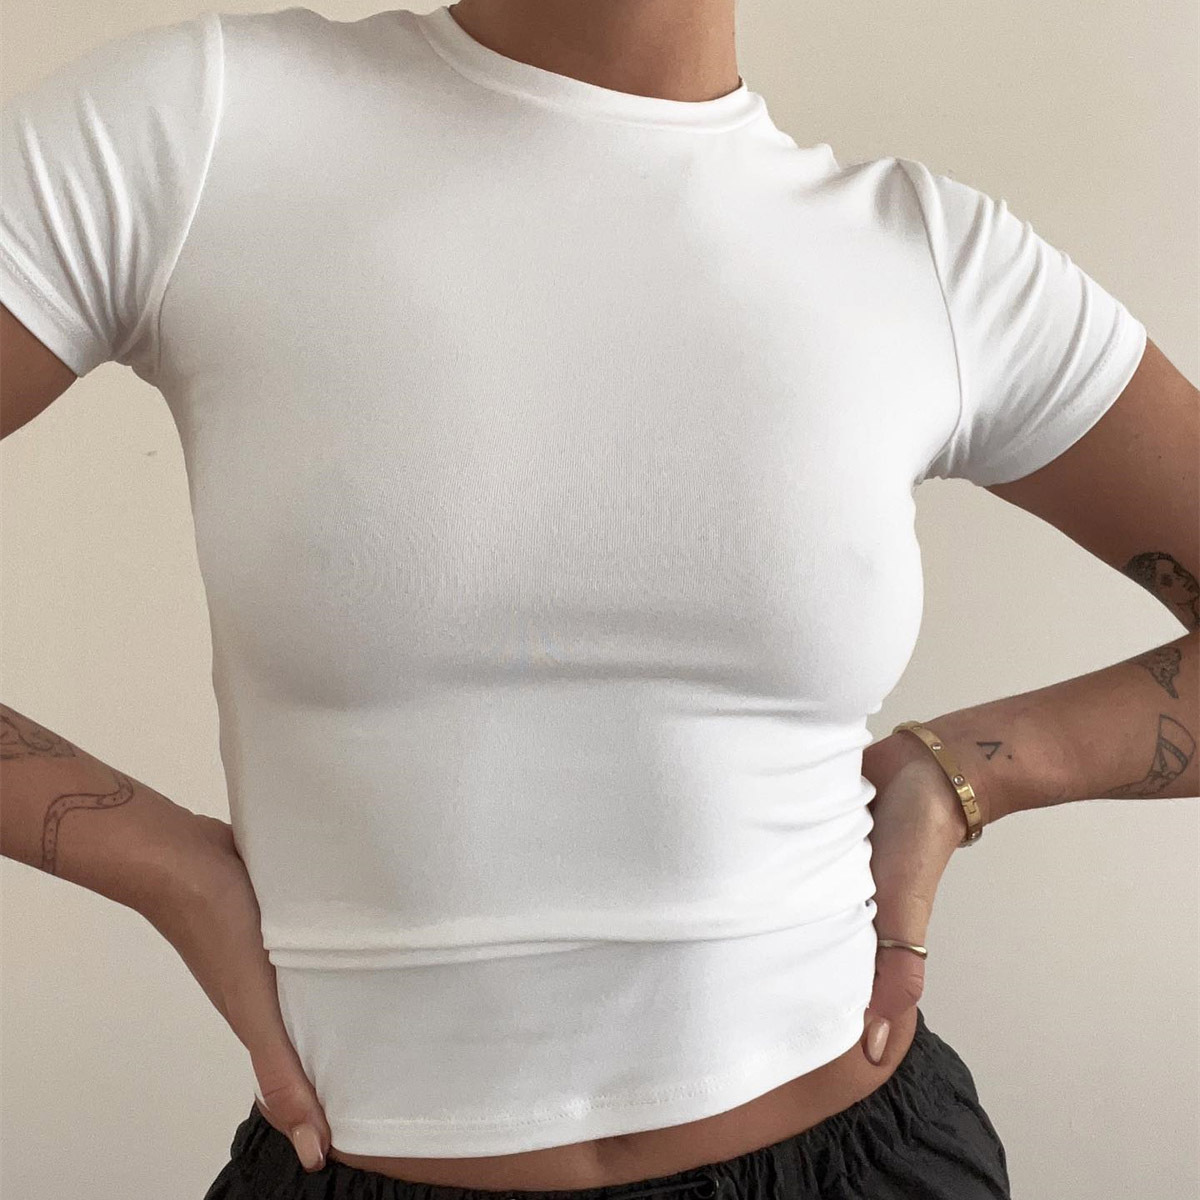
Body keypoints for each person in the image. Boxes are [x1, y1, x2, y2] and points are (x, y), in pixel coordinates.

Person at [1, 2, 1195, 1198]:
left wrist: (975, 769)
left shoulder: (927, 259)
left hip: (863, 1157)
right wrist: (164, 865)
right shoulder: (201, 128)